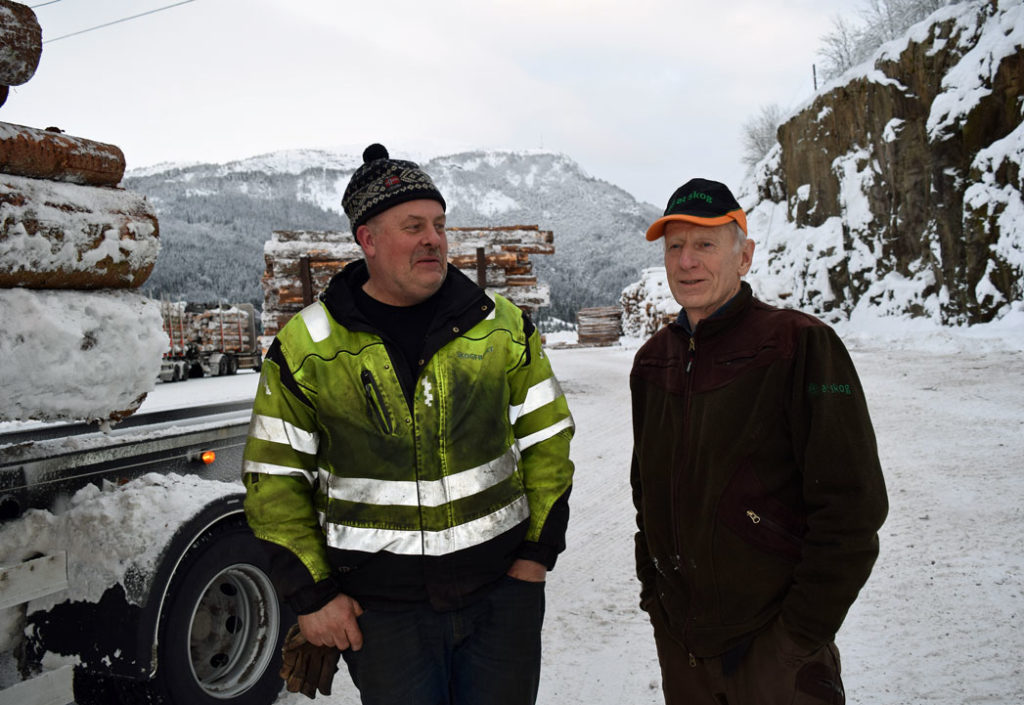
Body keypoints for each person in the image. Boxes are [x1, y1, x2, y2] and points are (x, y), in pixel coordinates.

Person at [242, 143, 575, 704]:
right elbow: (273, 479)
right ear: (368, 239)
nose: (433, 239)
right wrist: (314, 594)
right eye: (413, 226)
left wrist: (535, 556)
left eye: (439, 225)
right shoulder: (309, 346)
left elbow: (549, 440)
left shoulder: (498, 326)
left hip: (500, 599)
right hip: (384, 618)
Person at [630, 178, 888, 705]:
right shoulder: (653, 362)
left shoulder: (799, 344)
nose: (686, 261)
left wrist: (798, 636)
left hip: (774, 652)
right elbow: (646, 495)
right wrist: (656, 600)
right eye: (675, 247)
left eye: (705, 244)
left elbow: (852, 506)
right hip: (683, 649)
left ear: (744, 257)